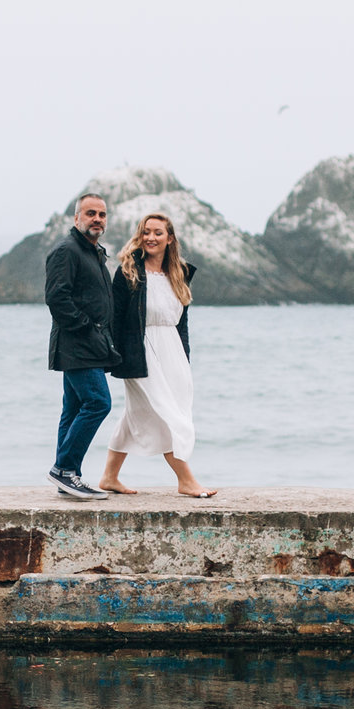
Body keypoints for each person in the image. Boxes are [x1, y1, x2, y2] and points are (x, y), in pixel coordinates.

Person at [98, 213, 216, 498]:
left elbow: (182, 323)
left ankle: (109, 477)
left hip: (172, 351)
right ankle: (185, 480)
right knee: (167, 414)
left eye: (158, 233)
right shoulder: (128, 271)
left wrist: (184, 358)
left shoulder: (180, 273)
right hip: (139, 350)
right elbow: (114, 318)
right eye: (146, 232)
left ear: (170, 238)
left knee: (137, 414)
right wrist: (115, 356)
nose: (151, 237)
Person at [43, 194, 116, 500]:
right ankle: (64, 469)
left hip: (88, 345)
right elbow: (57, 298)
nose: (97, 218)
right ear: (76, 218)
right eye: (90, 213)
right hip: (78, 344)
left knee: (73, 409)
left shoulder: (93, 252)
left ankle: (67, 477)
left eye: (101, 214)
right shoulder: (67, 250)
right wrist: (87, 327)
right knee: (99, 403)